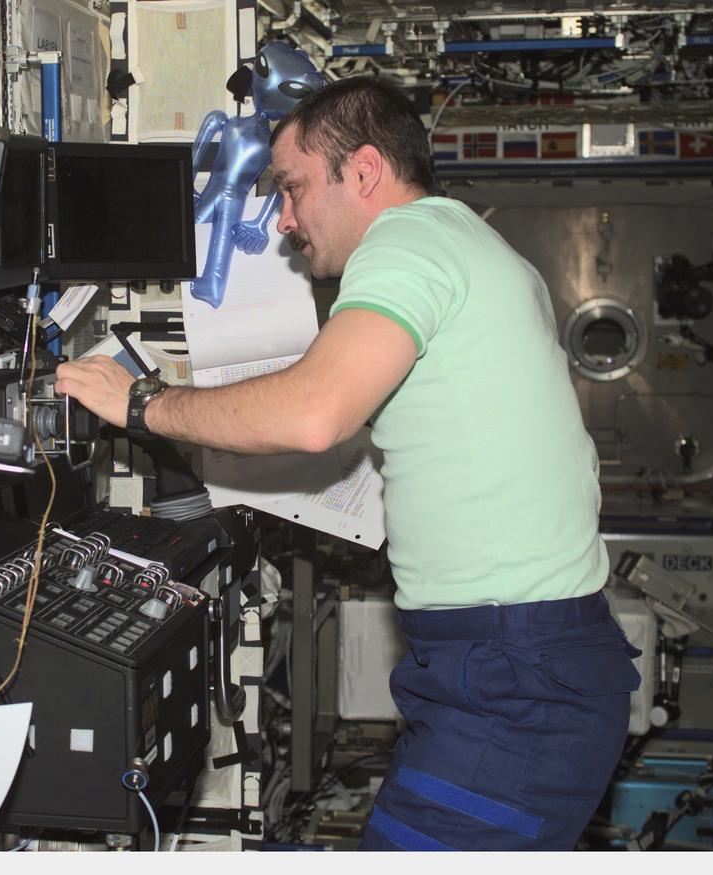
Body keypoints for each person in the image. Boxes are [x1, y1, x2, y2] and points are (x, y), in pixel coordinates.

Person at [55, 76, 640, 851]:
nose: (286, 219)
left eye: (293, 188)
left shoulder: (410, 242)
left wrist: (143, 404)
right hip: (512, 665)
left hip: (513, 682)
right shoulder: (473, 246)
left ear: (363, 171)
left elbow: (312, 413)